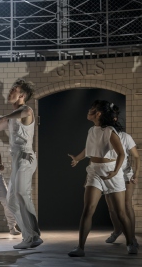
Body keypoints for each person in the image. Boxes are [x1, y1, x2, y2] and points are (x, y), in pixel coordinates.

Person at [67, 100, 137, 256]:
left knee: (120, 212)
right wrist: (77, 158)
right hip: (94, 171)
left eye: (91, 109)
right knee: (88, 209)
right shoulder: (92, 130)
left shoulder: (109, 131)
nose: (88, 111)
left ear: (98, 114)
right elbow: (89, 149)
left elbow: (121, 154)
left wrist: (115, 172)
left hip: (112, 172)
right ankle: (80, 248)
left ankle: (131, 242)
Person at [0, 79, 42, 249]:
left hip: (26, 157)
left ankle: (35, 234)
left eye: (14, 89)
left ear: (22, 95)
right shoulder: (13, 116)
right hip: (17, 160)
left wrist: (4, 117)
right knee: (11, 200)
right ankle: (28, 237)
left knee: (22, 193)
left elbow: (25, 112)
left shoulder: (26, 110)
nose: (10, 91)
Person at [105, 131, 140, 247]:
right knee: (112, 207)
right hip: (110, 174)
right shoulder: (102, 135)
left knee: (127, 205)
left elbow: (136, 155)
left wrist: (136, 173)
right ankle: (117, 231)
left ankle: (132, 237)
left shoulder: (125, 136)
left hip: (125, 174)